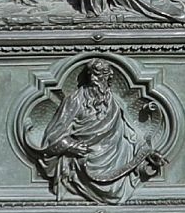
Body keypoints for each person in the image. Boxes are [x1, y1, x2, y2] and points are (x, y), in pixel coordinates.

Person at [36, 59, 166, 204]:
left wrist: (148, 154)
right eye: (92, 74)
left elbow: (131, 133)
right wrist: (70, 145)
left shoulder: (115, 103)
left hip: (118, 156)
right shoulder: (74, 101)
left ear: (108, 77)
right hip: (84, 161)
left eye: (100, 75)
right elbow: (54, 134)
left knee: (114, 189)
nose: (94, 79)